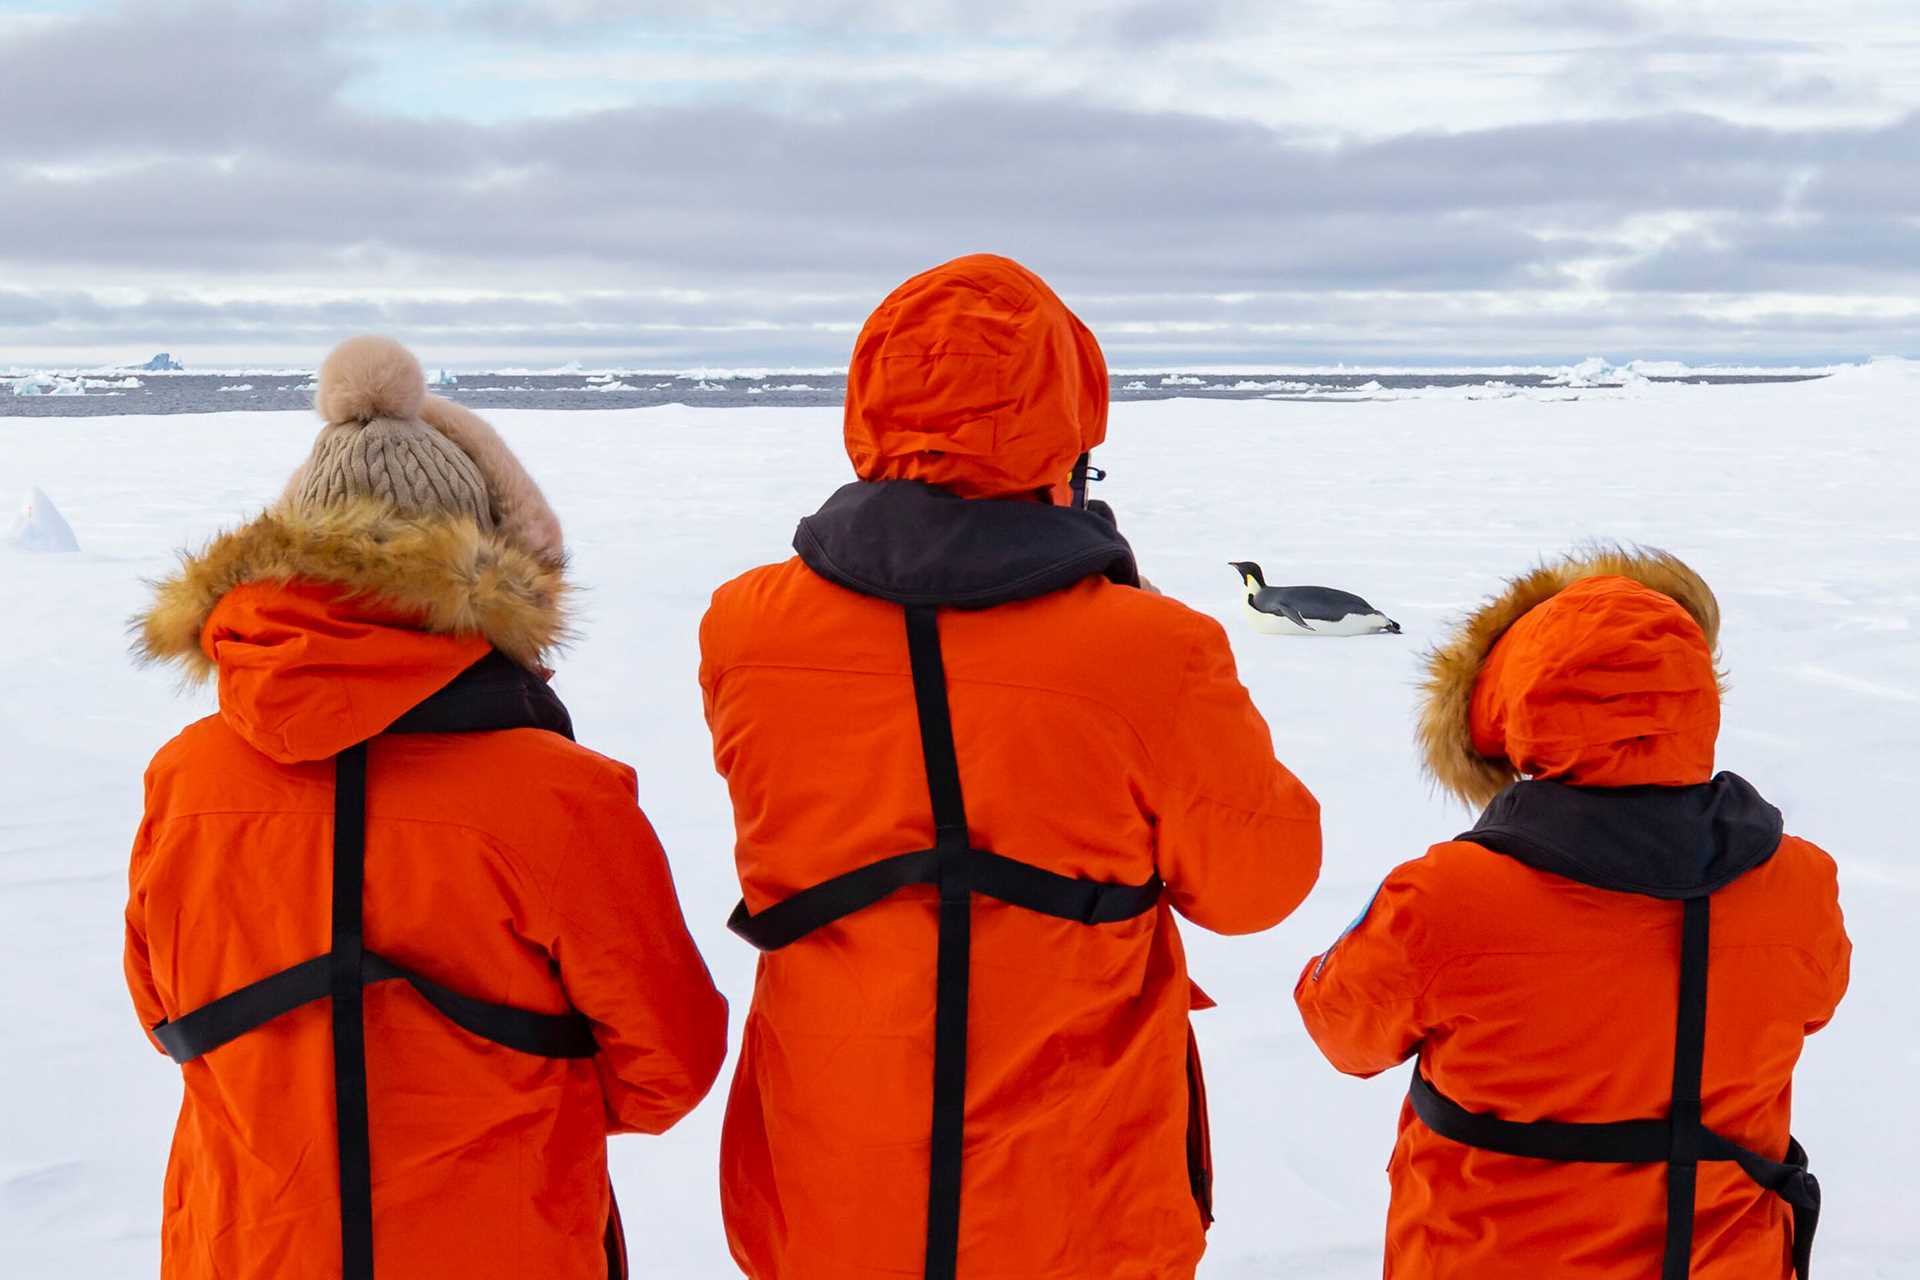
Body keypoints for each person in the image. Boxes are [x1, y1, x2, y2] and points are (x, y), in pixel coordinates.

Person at [699, 254, 1322, 1279]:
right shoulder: (1149, 647)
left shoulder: (745, 626)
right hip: (1081, 1193)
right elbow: (1261, 882)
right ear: (1069, 434)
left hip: (826, 1168)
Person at [126, 336, 729, 1280]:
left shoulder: (186, 778)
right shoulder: (561, 795)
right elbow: (669, 1064)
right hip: (504, 1243)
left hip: (248, 1241)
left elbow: (162, 1010)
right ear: (488, 572)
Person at [1295, 548, 1849, 1279]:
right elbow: (1816, 1001)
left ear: (1522, 712)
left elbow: (1341, 1030)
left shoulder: (1448, 895)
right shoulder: (1798, 880)